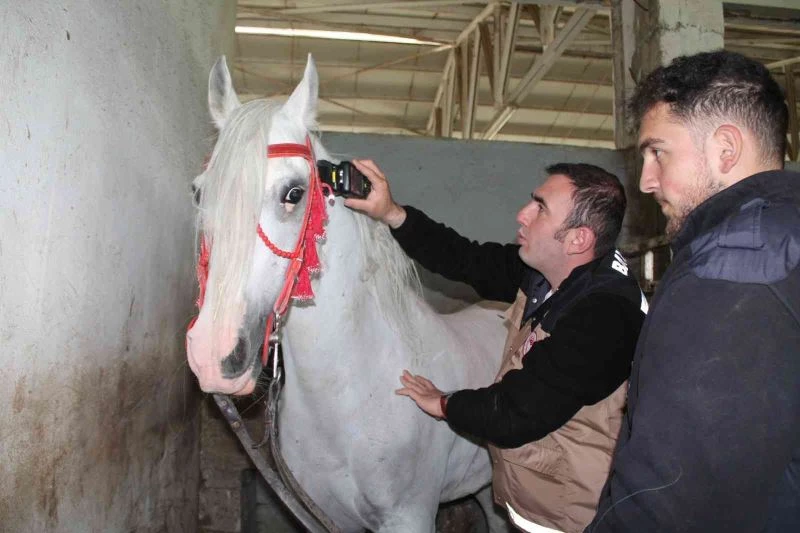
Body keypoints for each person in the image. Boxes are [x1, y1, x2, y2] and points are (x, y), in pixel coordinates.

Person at [346, 161, 647, 533]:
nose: (522, 215)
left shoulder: (604, 317)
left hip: (578, 519)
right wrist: (391, 212)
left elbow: (512, 414)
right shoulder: (549, 273)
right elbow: (464, 258)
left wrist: (443, 402)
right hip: (540, 506)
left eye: (540, 208)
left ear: (578, 239)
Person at [587, 50, 800, 532]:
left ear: (725, 148)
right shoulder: (785, 234)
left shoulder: (736, 265)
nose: (645, 181)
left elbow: (673, 496)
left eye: (656, 151)